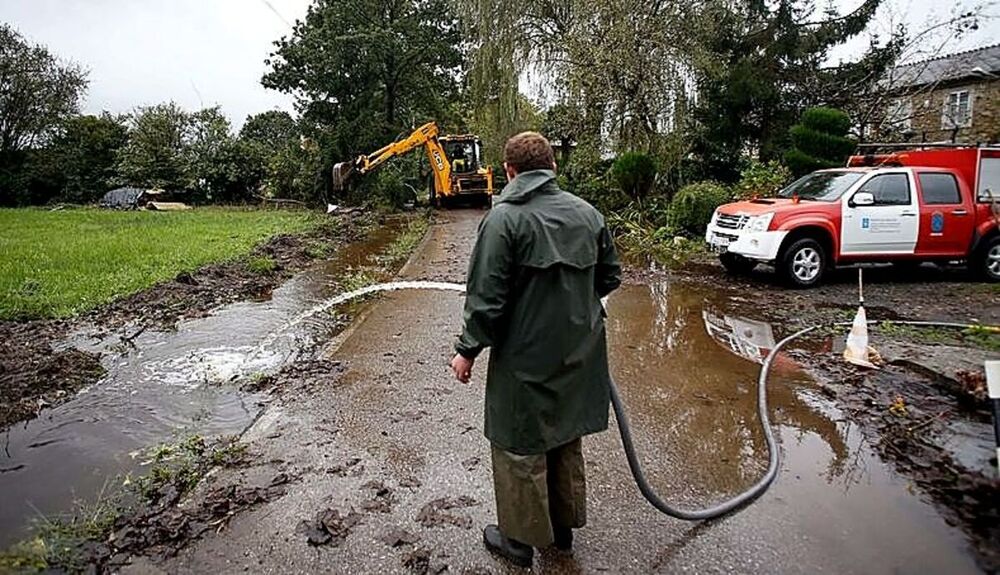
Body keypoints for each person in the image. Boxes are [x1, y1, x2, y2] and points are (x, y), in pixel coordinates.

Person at [450, 132, 621, 568]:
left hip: (525, 357)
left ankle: (519, 542)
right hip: (579, 353)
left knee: (519, 442)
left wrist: (467, 350)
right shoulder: (589, 215)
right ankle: (562, 532)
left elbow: (486, 298)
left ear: (509, 171)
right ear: (553, 168)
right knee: (564, 433)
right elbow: (610, 278)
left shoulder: (504, 220)